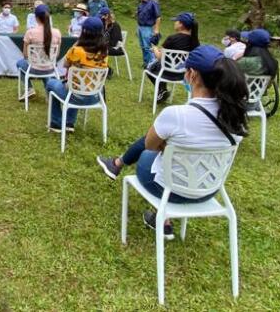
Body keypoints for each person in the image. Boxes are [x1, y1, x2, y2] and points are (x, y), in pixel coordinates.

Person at [97, 45, 248, 239]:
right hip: (208, 192)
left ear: (192, 74)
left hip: (171, 189)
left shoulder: (176, 115)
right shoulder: (236, 118)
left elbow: (150, 146)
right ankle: (159, 216)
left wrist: (166, 146)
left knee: (148, 155)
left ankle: (161, 215)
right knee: (166, 154)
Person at [46, 16, 108, 132]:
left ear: (84, 31)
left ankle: (56, 122)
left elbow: (65, 64)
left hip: (74, 95)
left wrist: (78, 43)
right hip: (95, 96)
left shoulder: (76, 50)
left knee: (51, 83)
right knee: (77, 84)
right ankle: (69, 122)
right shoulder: (104, 52)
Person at [144, 12, 200, 104]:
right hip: (183, 74)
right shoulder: (195, 41)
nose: (174, 23)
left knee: (148, 66)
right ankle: (162, 90)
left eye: (176, 21)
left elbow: (159, 57)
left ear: (181, 24)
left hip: (166, 72)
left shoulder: (172, 38)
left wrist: (154, 49)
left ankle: (162, 89)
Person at [16, 4, 62, 99]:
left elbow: (25, 55)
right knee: (44, 65)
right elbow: (56, 55)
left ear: (36, 18)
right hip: (50, 68)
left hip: (34, 68)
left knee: (20, 63)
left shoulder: (30, 33)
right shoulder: (57, 32)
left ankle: (29, 88)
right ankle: (48, 90)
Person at [136, 0, 162, 68]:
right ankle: (146, 62)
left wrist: (156, 29)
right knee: (143, 46)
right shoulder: (141, 4)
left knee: (148, 46)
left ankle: (152, 64)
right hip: (140, 27)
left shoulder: (153, 3)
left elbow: (158, 17)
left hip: (148, 28)